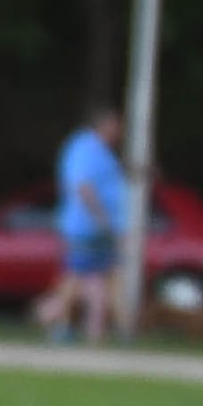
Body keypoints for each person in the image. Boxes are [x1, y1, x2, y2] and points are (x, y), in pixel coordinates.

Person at [43, 103, 133, 343]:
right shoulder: (85, 148)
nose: (118, 132)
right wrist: (103, 219)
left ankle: (123, 329)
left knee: (112, 274)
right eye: (115, 127)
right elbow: (83, 187)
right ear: (104, 125)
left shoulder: (102, 152)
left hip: (103, 228)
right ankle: (62, 326)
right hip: (87, 227)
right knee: (75, 273)